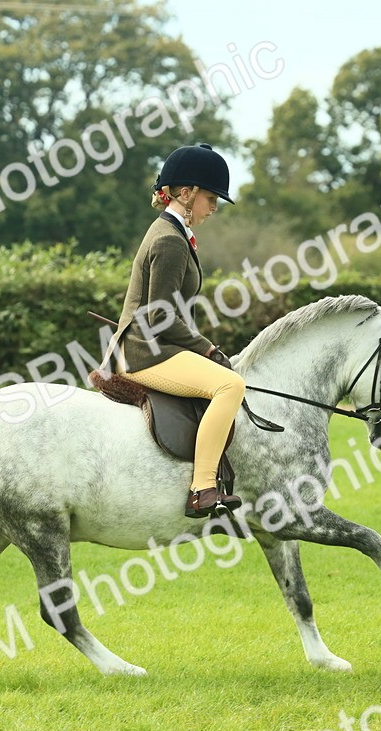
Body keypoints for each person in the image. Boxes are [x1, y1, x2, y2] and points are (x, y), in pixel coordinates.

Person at [103, 143, 246, 519]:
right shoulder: (169, 240)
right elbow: (157, 317)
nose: (214, 208)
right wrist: (208, 349)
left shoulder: (172, 232)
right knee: (230, 385)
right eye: (211, 198)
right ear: (186, 194)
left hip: (153, 347)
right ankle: (202, 488)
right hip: (144, 353)